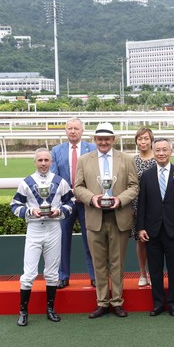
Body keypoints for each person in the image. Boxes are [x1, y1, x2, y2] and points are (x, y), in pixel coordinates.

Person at [73, 122, 139, 319]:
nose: (103, 142)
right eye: (100, 139)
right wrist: (92, 198)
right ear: (95, 140)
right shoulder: (85, 160)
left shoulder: (126, 159)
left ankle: (117, 302)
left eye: (107, 139)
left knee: (117, 263)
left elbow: (134, 186)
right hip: (95, 217)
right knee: (99, 263)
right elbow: (77, 187)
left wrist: (120, 200)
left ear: (113, 140)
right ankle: (102, 302)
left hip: (119, 216)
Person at [11, 148, 74, 326]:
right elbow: (14, 205)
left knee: (52, 273)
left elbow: (71, 202)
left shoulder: (60, 181)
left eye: (47, 160)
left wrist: (60, 211)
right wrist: (30, 211)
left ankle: (50, 309)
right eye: (40, 160)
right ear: (35, 162)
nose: (44, 163)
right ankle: (23, 311)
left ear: (51, 162)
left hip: (54, 228)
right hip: (34, 229)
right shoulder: (26, 182)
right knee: (29, 273)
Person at [136, 137, 174, 317]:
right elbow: (141, 204)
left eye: (164, 150)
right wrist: (141, 228)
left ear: (171, 151)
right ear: (153, 151)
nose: (161, 153)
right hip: (152, 231)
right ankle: (158, 303)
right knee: (155, 270)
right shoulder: (147, 175)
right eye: (157, 150)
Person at [50, 117, 96, 289]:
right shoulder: (56, 150)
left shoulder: (92, 148)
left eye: (76, 128)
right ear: (65, 131)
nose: (73, 131)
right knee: (63, 240)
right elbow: (54, 177)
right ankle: (63, 276)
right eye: (69, 128)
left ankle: (94, 276)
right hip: (65, 203)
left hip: (86, 202)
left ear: (82, 130)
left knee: (91, 240)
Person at [131, 127, 156, 287]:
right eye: (140, 139)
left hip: (156, 207)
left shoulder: (159, 158)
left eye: (146, 138)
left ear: (151, 140)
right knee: (141, 241)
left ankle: (154, 272)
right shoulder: (132, 161)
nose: (143, 142)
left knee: (155, 242)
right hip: (137, 206)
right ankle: (142, 273)